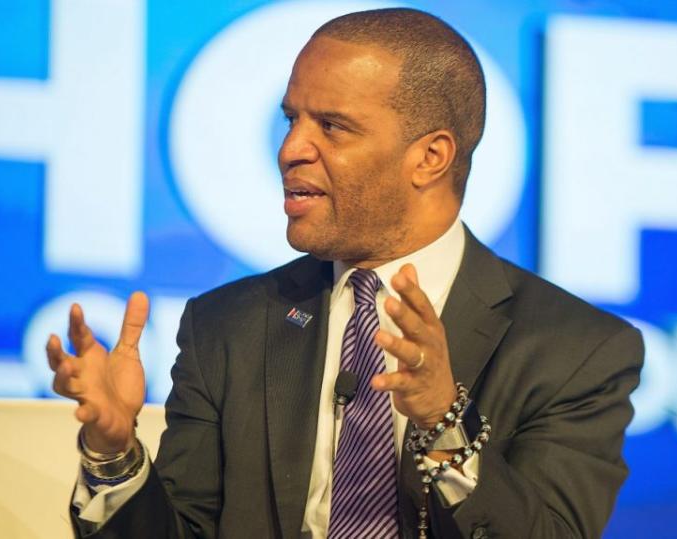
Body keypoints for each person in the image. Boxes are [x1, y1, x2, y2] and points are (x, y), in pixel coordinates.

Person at [47, 7, 643, 539]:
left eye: (332, 126)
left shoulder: (577, 350)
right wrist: (115, 454)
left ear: (430, 157)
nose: (291, 149)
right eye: (291, 120)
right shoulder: (226, 326)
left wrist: (443, 422)